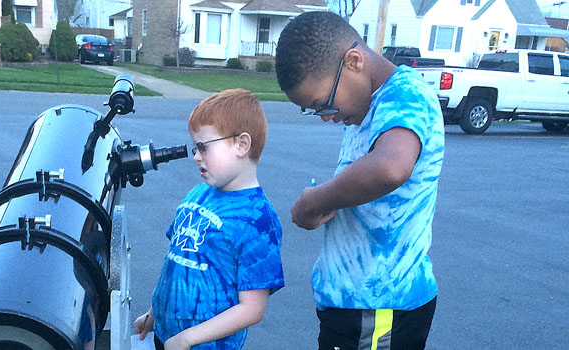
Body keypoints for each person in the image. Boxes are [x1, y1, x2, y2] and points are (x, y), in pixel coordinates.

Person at [275, 12, 444, 350]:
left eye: (323, 103)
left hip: (380, 308)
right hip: (356, 308)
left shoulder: (407, 96)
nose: (326, 117)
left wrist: (316, 200)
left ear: (353, 61)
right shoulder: (368, 108)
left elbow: (390, 168)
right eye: (313, 110)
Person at [134, 88, 285, 350]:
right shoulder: (198, 194)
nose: (195, 156)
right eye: (195, 147)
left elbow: (252, 309)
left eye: (203, 147)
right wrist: (154, 313)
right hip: (168, 338)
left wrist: (189, 338)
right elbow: (178, 264)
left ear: (241, 144)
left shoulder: (258, 221)